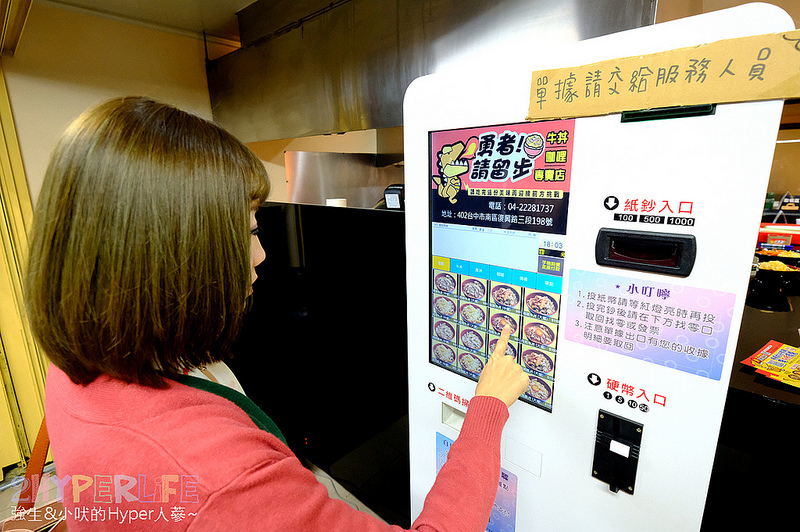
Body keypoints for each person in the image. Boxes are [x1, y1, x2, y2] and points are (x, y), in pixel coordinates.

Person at [25, 96, 530, 531]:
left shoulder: (76, 370)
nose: (261, 255)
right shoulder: (224, 480)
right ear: (175, 256)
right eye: (248, 232)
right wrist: (486, 409)